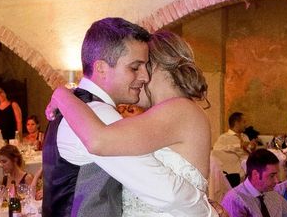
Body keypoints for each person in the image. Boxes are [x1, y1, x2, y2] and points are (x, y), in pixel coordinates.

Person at [42, 17, 215, 216]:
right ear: (101, 67)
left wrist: (61, 93)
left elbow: (100, 140)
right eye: (135, 67)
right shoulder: (94, 113)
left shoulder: (83, 110)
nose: (143, 77)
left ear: (157, 68)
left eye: (144, 66)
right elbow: (166, 191)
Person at [220, 148, 287, 217]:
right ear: (255, 174)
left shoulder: (272, 194)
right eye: (272, 176)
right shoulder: (235, 200)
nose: (277, 181)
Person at [213, 112, 257, 187]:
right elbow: (216, 149)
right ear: (237, 123)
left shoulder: (245, 136)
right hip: (234, 173)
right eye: (244, 122)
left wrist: (252, 148)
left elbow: (247, 153)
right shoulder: (224, 137)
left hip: (248, 171)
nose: (246, 125)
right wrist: (238, 146)